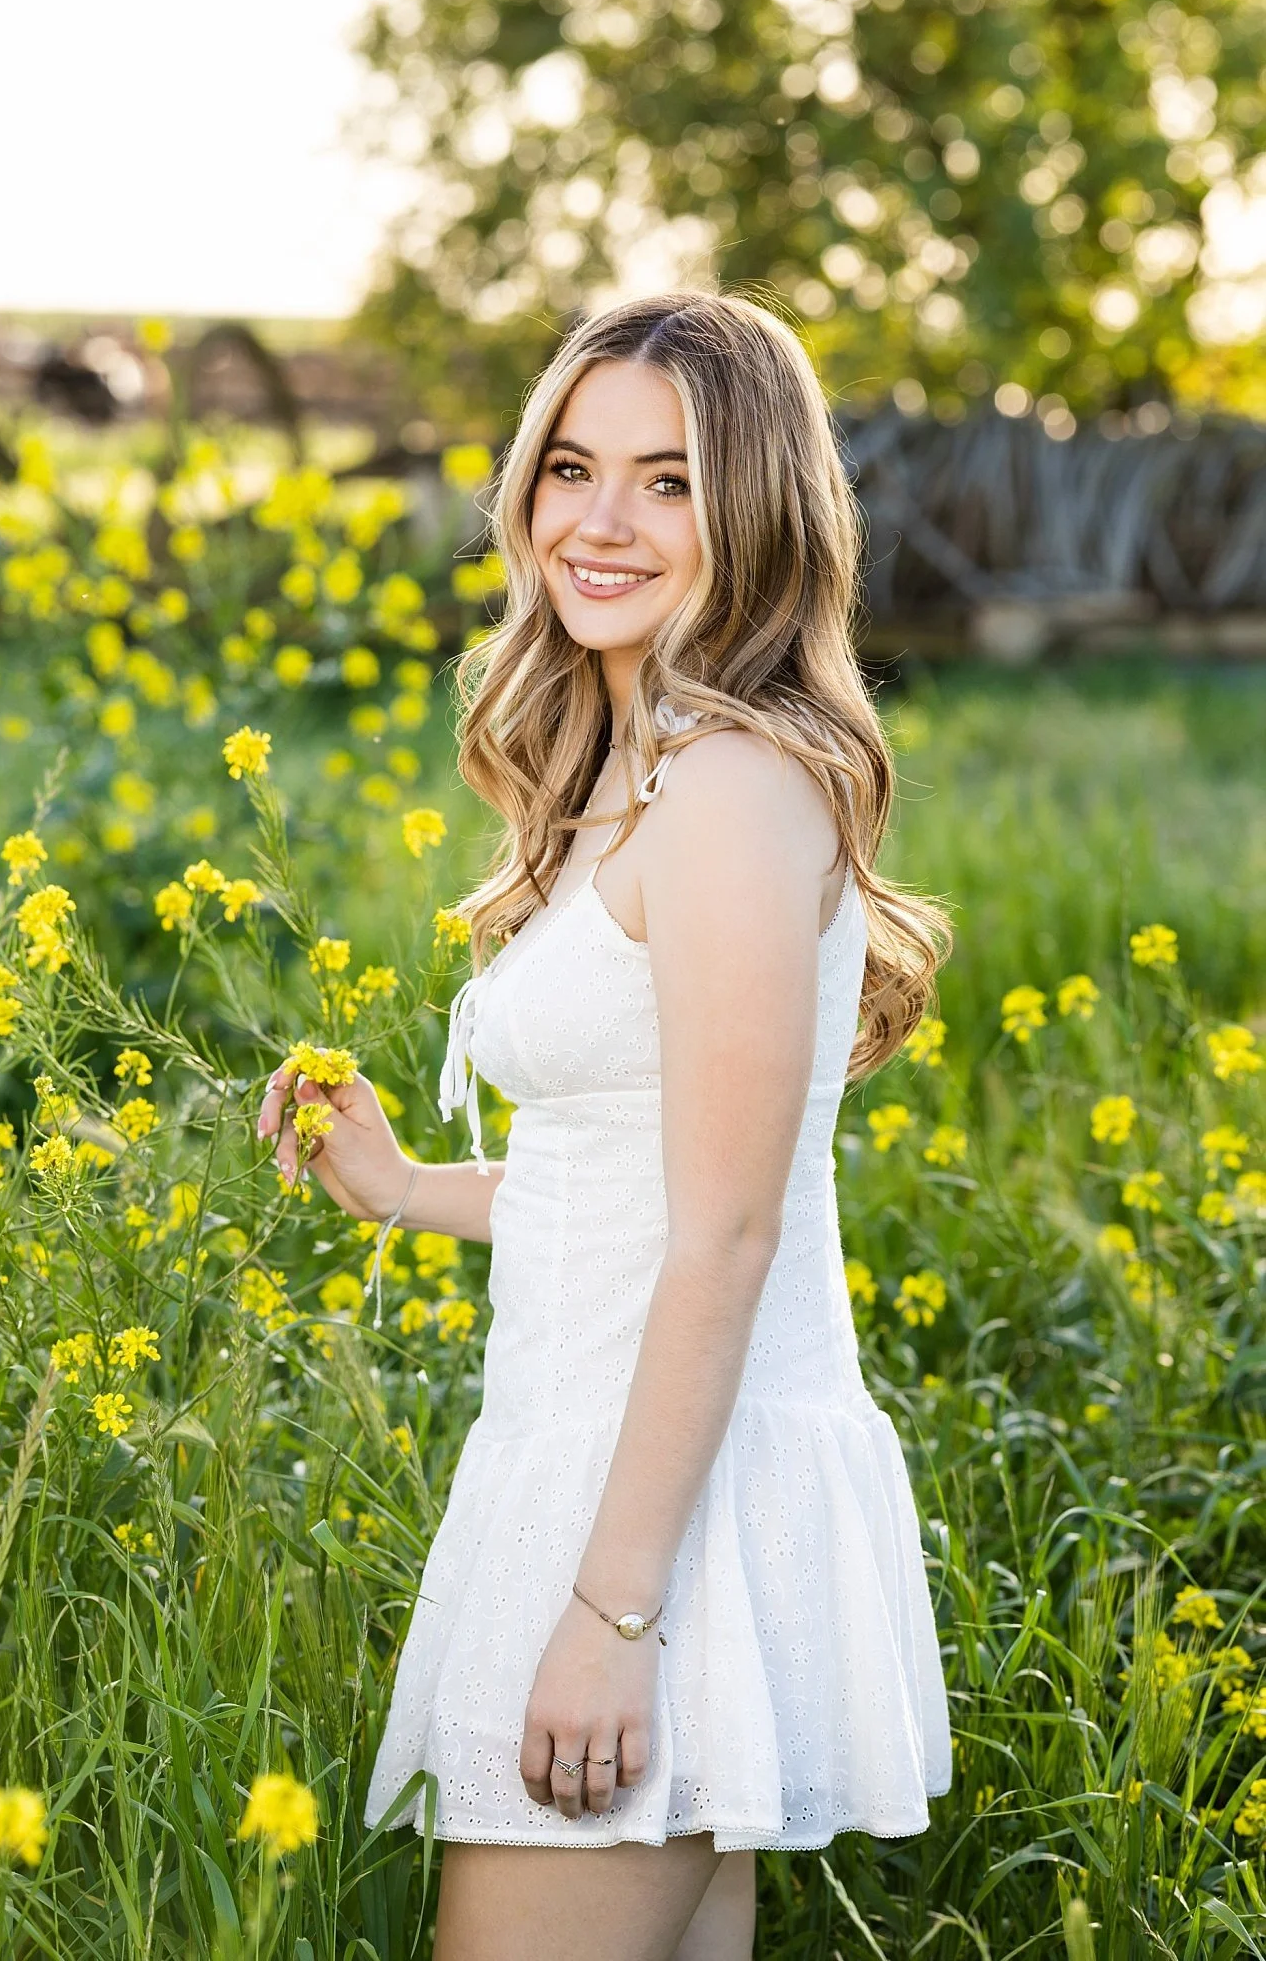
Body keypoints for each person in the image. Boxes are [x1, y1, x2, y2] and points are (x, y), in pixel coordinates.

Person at [258, 289, 953, 1961]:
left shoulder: (724, 789)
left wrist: (611, 1612)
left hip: (649, 1521)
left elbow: (726, 1232)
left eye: (670, 481)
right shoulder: (639, 770)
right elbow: (641, 1184)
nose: (602, 521)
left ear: (761, 511)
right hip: (619, 1479)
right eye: (574, 467)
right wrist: (416, 1188)